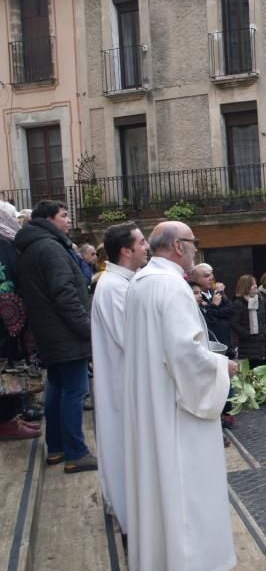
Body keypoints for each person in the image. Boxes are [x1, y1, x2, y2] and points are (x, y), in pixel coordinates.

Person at [123, 221, 239, 571]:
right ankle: (194, 570)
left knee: (163, 486)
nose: (196, 249)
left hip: (153, 399)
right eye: (193, 243)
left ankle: (166, 561)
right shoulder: (172, 287)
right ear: (176, 246)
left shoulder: (141, 283)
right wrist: (224, 366)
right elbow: (186, 354)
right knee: (189, 487)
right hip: (178, 408)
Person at [14, 200, 96, 472]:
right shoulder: (49, 248)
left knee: (58, 389)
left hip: (50, 332)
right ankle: (76, 453)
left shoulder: (35, 245)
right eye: (64, 215)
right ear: (49, 219)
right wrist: (87, 329)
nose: (69, 220)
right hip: (65, 332)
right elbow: (65, 294)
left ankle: (57, 448)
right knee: (74, 390)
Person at [90, 222, 149, 532]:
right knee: (124, 451)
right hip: (122, 384)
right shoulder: (114, 286)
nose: (146, 247)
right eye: (141, 243)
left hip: (125, 381)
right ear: (126, 251)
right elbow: (131, 338)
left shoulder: (122, 282)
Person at [0, 202, 39, 441]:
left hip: (8, 321)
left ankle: (12, 418)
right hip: (6, 323)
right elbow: (7, 282)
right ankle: (7, 421)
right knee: (6, 371)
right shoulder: (2, 244)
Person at [231, 275, 266, 370]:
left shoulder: (262, 300)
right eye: (252, 284)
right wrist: (246, 334)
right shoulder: (239, 303)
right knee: (252, 375)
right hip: (248, 346)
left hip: (264, 343)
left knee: (264, 373)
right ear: (245, 287)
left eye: (255, 283)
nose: (255, 286)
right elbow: (235, 323)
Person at [191, 263, 234, 357]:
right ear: (196, 279)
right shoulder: (196, 299)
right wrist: (214, 305)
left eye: (211, 275)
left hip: (226, 344)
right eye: (206, 276)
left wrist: (222, 294)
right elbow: (207, 322)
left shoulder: (215, 293)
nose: (211, 278)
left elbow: (230, 310)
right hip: (212, 349)